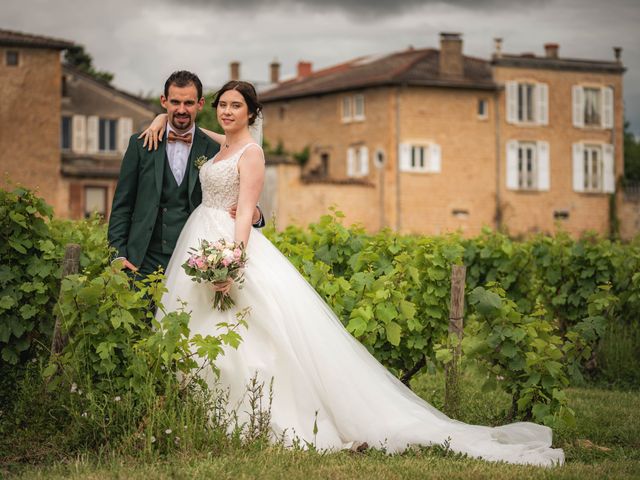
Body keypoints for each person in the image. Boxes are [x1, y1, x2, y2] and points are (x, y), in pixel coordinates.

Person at [140, 80, 564, 467]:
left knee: (255, 333)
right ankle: (201, 410)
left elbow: (247, 213)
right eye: (223, 105)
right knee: (203, 328)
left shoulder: (251, 153)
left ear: (252, 113)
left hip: (229, 244)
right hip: (200, 236)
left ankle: (269, 417)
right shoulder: (222, 147)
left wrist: (231, 265)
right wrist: (162, 118)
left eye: (237, 106)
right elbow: (194, 132)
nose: (228, 111)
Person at [107, 71, 264, 277]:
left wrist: (257, 215)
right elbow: (122, 204)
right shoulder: (141, 145)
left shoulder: (217, 149)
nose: (181, 110)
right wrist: (118, 255)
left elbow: (241, 193)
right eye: (175, 102)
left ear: (199, 104)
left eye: (188, 103)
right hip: (142, 258)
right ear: (164, 101)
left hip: (196, 257)